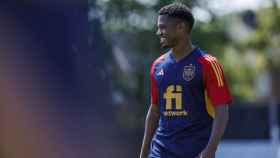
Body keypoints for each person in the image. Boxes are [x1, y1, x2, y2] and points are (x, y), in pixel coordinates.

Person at [139, 2, 232, 158]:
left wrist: (210, 150)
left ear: (180, 27)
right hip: (160, 152)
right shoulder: (157, 66)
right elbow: (154, 110)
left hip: (194, 152)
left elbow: (222, 111)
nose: (158, 32)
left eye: (163, 27)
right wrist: (143, 153)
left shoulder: (208, 63)